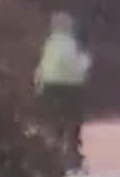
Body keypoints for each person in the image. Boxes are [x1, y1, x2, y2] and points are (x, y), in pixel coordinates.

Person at [35, 11, 92, 169]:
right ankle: (72, 154)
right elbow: (80, 65)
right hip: (71, 87)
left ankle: (55, 152)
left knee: (55, 123)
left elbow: (43, 66)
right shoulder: (73, 44)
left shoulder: (50, 44)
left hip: (51, 87)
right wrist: (85, 67)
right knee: (72, 121)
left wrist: (39, 84)